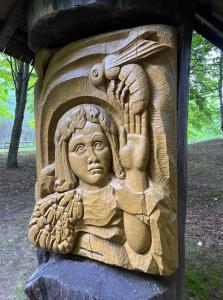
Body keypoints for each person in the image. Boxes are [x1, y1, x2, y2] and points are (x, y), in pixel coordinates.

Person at [29, 104, 174, 273]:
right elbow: (43, 237)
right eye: (79, 148)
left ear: (112, 147)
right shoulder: (58, 205)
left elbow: (139, 245)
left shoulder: (121, 192)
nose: (92, 158)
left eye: (98, 144)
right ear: (65, 157)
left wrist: (135, 171)